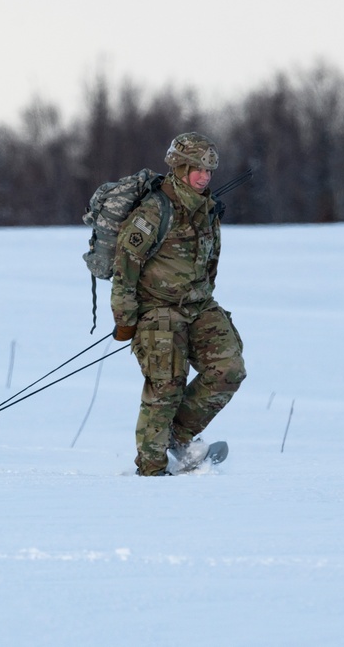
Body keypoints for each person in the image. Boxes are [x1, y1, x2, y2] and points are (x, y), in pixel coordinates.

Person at [110, 132, 246, 476]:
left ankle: (176, 437)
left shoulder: (208, 208)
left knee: (229, 369)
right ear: (180, 168)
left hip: (199, 305)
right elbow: (125, 265)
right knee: (166, 383)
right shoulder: (155, 210)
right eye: (197, 169)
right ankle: (152, 471)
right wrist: (126, 318)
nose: (204, 177)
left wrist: (203, 298)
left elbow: (210, 263)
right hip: (158, 309)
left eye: (209, 171)